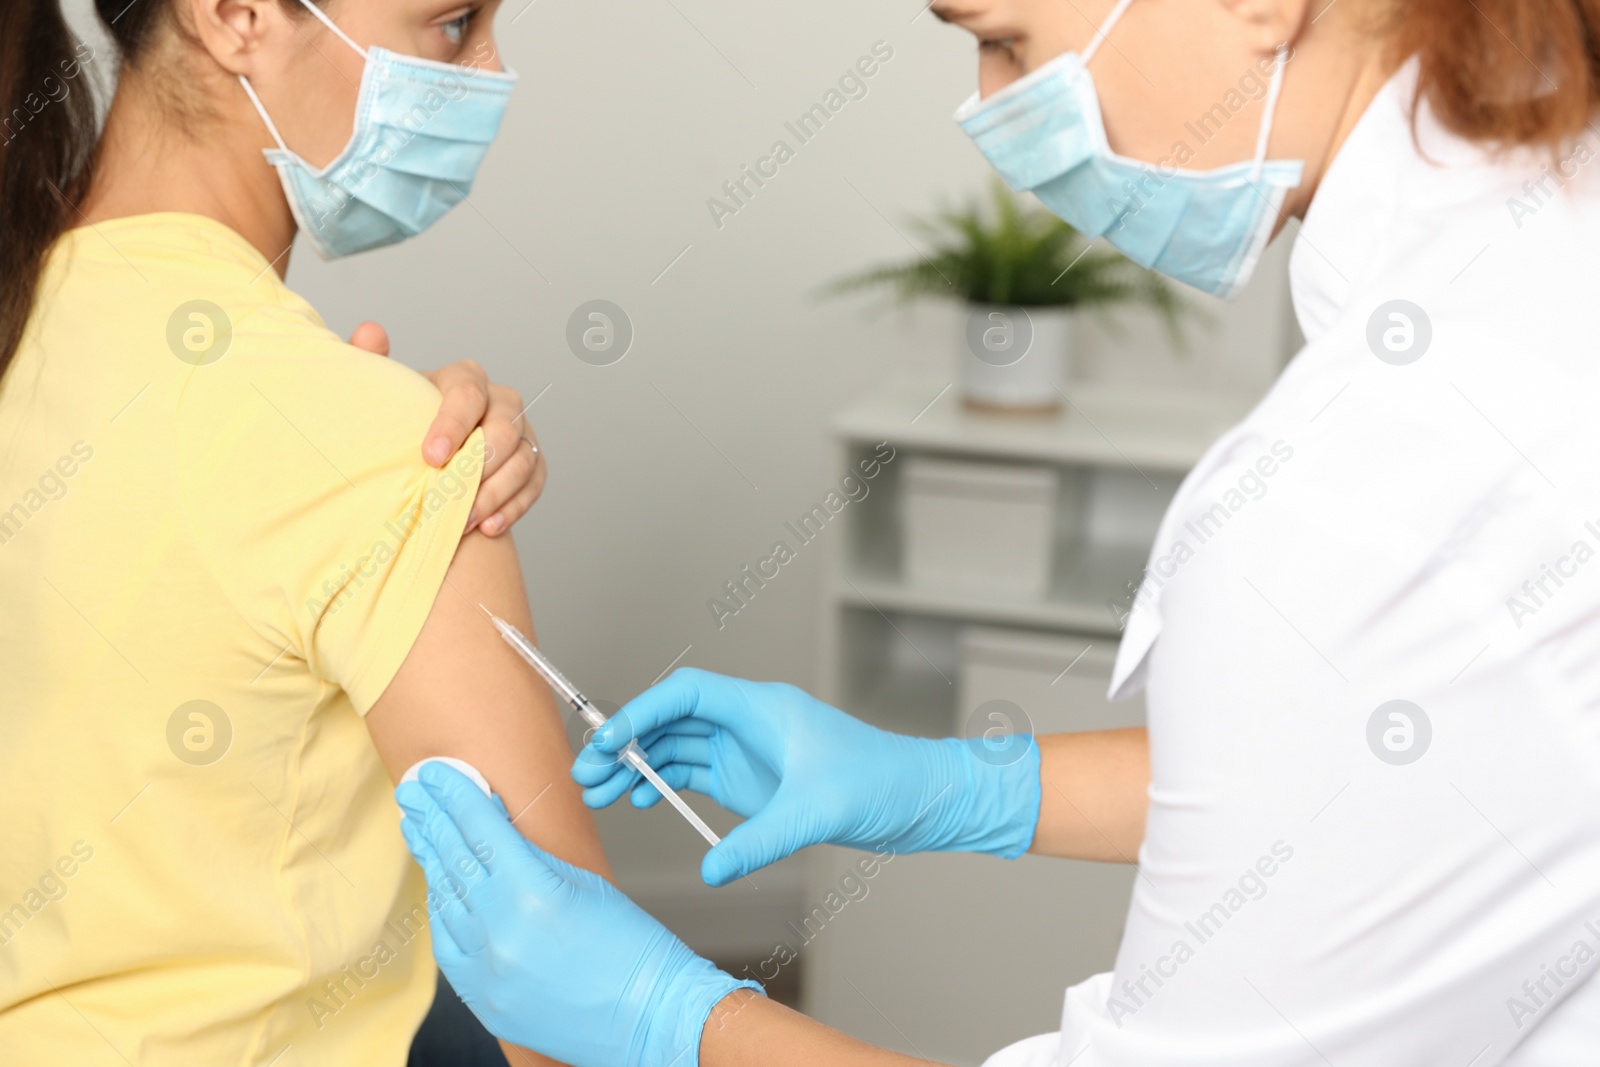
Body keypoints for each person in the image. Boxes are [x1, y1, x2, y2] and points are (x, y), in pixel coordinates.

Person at [395, 0, 1600, 1064]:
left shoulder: (1374, 482)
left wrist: (671, 1020)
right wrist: (955, 788)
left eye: (1004, 42)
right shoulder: (1530, 279)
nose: (995, 113)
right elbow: (1405, 772)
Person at [0, 1, 609, 1064]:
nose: (492, 71)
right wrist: (375, 454)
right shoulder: (384, 448)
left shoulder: (27, 310)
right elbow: (576, 1005)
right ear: (235, 16)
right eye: (455, 23)